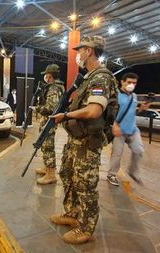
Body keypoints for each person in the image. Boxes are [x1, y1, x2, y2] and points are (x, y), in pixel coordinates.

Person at [50, 35, 118, 244]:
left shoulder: (101, 77)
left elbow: (94, 110)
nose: (78, 55)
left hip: (88, 143)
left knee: (85, 186)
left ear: (89, 51)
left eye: (80, 50)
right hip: (75, 139)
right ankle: (72, 214)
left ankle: (86, 227)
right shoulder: (88, 77)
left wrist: (67, 115)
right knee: (68, 175)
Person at [107, 72, 150, 186]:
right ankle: (111, 174)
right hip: (119, 130)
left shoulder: (134, 96)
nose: (132, 85)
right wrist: (113, 126)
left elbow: (131, 112)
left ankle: (133, 171)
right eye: (129, 82)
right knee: (117, 154)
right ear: (122, 82)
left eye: (134, 83)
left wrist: (141, 109)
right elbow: (109, 113)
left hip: (133, 129)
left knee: (139, 150)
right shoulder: (115, 95)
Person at [34, 64, 65, 185]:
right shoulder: (55, 87)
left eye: (46, 75)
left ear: (50, 76)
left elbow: (51, 107)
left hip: (49, 121)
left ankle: (51, 174)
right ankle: (47, 168)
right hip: (47, 121)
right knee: (44, 145)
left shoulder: (53, 88)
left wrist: (38, 108)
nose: (45, 77)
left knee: (48, 146)